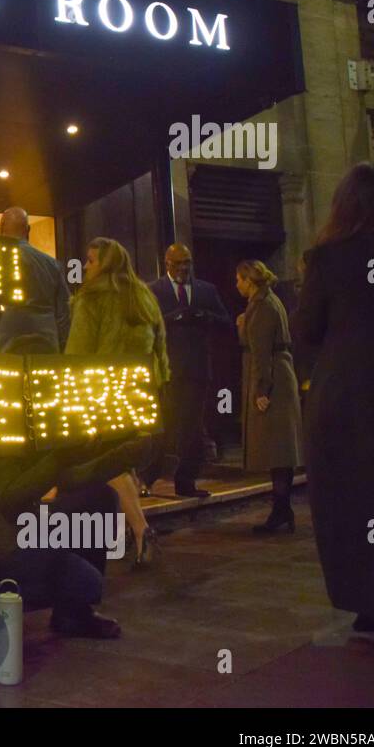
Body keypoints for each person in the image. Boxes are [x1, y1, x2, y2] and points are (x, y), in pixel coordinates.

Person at [292, 163, 374, 651]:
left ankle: (370, 604)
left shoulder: (329, 258)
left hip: (346, 403)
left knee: (355, 506)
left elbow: (306, 329)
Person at [0, 333, 150, 639]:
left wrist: (125, 452)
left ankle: (75, 613)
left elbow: (72, 478)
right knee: (79, 576)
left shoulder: (39, 415)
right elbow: (9, 499)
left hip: (26, 523)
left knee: (99, 497)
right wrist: (61, 458)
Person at [64, 237, 169, 566]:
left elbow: (78, 354)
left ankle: (140, 529)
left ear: (105, 264)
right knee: (124, 460)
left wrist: (69, 394)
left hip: (102, 392)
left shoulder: (92, 299)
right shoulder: (143, 297)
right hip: (138, 392)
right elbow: (160, 348)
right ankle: (129, 531)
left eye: (92, 260)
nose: (85, 266)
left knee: (107, 463)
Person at [142, 243, 232, 498]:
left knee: (192, 427)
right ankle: (148, 478)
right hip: (167, 369)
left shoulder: (206, 290)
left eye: (187, 263)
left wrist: (205, 316)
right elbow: (145, 325)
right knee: (162, 425)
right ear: (167, 263)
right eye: (179, 263)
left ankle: (186, 482)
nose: (184, 268)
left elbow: (226, 322)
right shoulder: (154, 290)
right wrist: (172, 318)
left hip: (197, 369)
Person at [233, 260, 303, 534]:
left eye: (238, 280)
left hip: (273, 380)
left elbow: (261, 351)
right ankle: (282, 509)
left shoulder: (263, 306)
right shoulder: (267, 302)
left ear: (249, 281)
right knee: (279, 451)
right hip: (279, 375)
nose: (236, 285)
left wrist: (262, 390)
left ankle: (281, 510)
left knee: (277, 449)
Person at [0, 207, 71, 352]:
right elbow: (64, 312)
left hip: (9, 340)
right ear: (28, 229)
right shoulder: (52, 264)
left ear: (1, 228)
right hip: (48, 341)